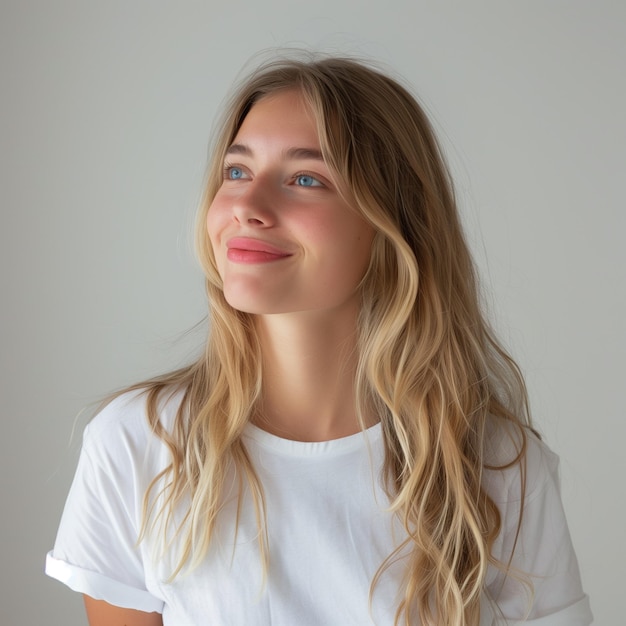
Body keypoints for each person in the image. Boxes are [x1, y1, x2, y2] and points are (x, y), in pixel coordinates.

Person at [45, 54, 592, 626]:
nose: (248, 208)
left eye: (306, 179)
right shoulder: (140, 443)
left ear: (392, 225)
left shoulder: (497, 466)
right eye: (237, 172)